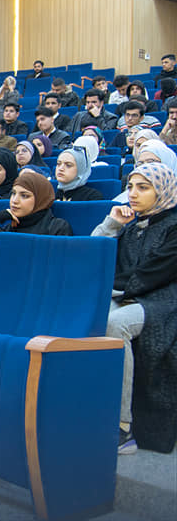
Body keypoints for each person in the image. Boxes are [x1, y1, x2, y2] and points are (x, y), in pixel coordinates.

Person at [94, 163, 177, 454]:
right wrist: (112, 224)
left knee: (116, 324)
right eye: (130, 187)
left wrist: (111, 290)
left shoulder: (175, 226)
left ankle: (123, 427)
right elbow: (92, 254)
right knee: (87, 314)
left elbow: (155, 273)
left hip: (163, 300)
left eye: (143, 188)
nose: (133, 194)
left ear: (163, 190)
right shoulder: (131, 227)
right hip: (128, 294)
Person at [0, 170, 71, 251]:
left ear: (40, 199)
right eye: (13, 193)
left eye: (24, 196)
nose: (14, 200)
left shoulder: (57, 228)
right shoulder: (9, 228)